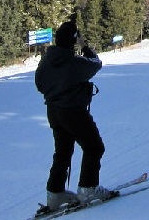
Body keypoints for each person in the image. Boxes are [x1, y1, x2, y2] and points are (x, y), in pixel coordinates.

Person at [35, 20, 113, 211]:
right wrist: (85, 46)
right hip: (73, 111)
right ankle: (88, 187)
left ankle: (55, 193)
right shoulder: (73, 62)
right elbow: (96, 63)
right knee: (94, 147)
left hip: (53, 110)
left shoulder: (47, 59)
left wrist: (56, 92)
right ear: (74, 39)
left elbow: (39, 84)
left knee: (62, 151)